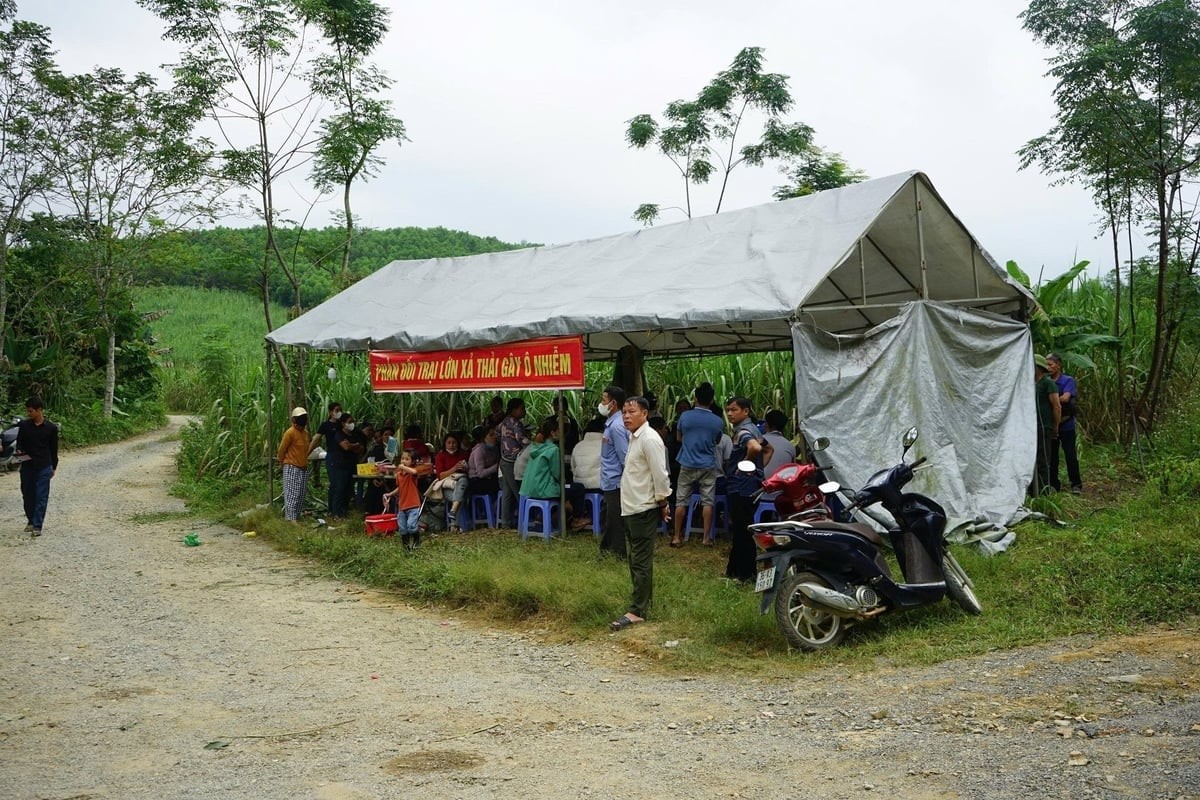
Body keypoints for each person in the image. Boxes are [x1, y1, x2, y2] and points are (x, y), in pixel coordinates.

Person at [610, 396, 671, 631]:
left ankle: (637, 610)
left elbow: (660, 474)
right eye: (624, 412)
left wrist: (662, 502)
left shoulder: (649, 439)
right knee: (636, 559)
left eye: (631, 412)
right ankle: (644, 602)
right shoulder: (634, 437)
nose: (626, 416)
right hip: (631, 507)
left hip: (643, 508)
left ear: (644, 414)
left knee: (640, 560)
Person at [671, 381, 723, 548]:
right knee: (708, 501)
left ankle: (676, 537)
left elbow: (679, 438)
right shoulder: (717, 421)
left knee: (681, 500)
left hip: (687, 462)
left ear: (695, 398)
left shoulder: (685, 416)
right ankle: (706, 538)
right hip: (707, 464)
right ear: (712, 400)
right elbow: (717, 441)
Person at [724, 396, 764, 582]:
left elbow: (755, 448)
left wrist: (745, 466)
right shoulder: (754, 429)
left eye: (734, 410)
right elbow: (768, 449)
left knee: (742, 531)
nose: (729, 413)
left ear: (746, 411)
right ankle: (733, 571)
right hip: (750, 486)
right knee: (741, 529)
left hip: (741, 487)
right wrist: (758, 471)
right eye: (728, 410)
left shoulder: (744, 432)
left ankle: (746, 574)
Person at [16, 396, 58, 537]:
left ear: (39, 410)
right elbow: (19, 443)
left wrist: (54, 466)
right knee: (27, 494)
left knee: (41, 496)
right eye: (27, 411)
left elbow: (54, 449)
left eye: (31, 411)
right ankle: (30, 520)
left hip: (44, 465)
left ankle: (37, 525)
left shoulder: (51, 428)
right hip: (27, 465)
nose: (28, 413)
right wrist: (19, 452)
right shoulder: (24, 426)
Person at [598, 385, 630, 557]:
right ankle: (607, 549)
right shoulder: (612, 423)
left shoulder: (616, 426)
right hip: (609, 479)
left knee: (614, 518)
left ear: (613, 403)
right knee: (609, 516)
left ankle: (618, 552)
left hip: (615, 479)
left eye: (604, 400)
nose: (601, 403)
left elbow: (624, 456)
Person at [1047, 353, 1082, 494]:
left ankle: (1076, 484)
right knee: (1052, 457)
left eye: (1051, 364)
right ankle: (1053, 484)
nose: (1048, 367)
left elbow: (1066, 398)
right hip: (1051, 424)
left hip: (1066, 424)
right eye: (1046, 365)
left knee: (1070, 455)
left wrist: (1051, 399)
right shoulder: (1045, 381)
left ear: (1058, 365)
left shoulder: (1067, 380)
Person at [497, 398, 531, 528]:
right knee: (518, 491)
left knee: (507, 492)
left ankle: (506, 522)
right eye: (522, 408)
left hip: (504, 460)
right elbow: (521, 439)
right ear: (514, 409)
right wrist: (534, 444)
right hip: (511, 462)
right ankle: (526, 521)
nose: (524, 411)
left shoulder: (504, 422)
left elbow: (498, 435)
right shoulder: (516, 423)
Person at [1033, 355, 1061, 496]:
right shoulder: (1030, 383)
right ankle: (1033, 489)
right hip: (1031, 428)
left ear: (1038, 368)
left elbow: (1056, 406)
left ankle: (1043, 491)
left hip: (1044, 426)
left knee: (1043, 459)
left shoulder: (1048, 384)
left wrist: (1055, 426)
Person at [276, 407, 310, 522]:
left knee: (301, 494)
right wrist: (282, 462)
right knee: (292, 493)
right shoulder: (290, 433)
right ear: (294, 419)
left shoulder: (305, 433)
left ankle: (297, 516)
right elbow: (281, 450)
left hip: (303, 467)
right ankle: (290, 518)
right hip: (292, 466)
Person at [384, 451, 423, 549]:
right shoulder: (399, 475)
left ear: (412, 462)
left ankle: (417, 540)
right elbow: (399, 488)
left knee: (411, 526)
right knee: (402, 528)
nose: (404, 461)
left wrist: (402, 467)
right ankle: (406, 547)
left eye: (407, 459)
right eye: (402, 459)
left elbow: (414, 472)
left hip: (413, 504)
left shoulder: (412, 473)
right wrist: (390, 494)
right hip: (402, 505)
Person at [326, 413, 363, 517]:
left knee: (348, 488)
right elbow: (345, 447)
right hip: (339, 465)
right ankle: (335, 512)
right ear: (343, 423)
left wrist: (352, 445)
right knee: (339, 488)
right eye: (349, 422)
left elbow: (360, 449)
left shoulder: (355, 434)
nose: (352, 424)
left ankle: (343, 511)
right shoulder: (339, 434)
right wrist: (354, 445)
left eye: (353, 422)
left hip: (351, 465)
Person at [432, 432, 470, 532]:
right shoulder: (440, 456)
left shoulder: (463, 454)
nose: (451, 445)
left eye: (454, 442)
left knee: (463, 480)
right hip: (447, 486)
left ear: (458, 443)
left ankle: (453, 521)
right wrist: (454, 468)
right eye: (449, 443)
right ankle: (454, 522)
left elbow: (469, 471)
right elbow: (440, 476)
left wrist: (465, 468)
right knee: (459, 498)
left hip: (461, 484)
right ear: (445, 444)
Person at [761, 409, 797, 486]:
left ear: (766, 424)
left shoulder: (759, 441)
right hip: (782, 488)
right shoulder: (790, 446)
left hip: (760, 488)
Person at [468, 426, 501, 503]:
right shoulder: (479, 450)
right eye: (491, 435)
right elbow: (480, 474)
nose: (495, 437)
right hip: (476, 480)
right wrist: (496, 467)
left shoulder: (495, 449)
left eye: (495, 434)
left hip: (489, 478)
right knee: (499, 486)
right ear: (484, 438)